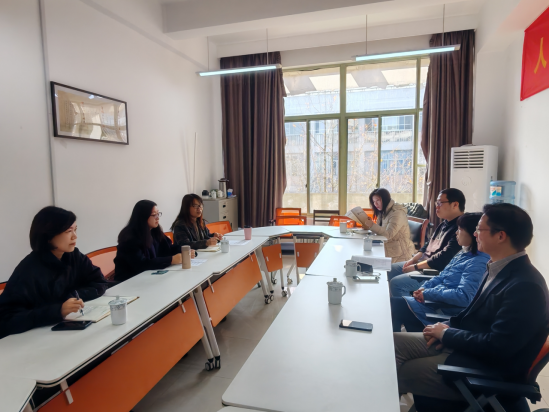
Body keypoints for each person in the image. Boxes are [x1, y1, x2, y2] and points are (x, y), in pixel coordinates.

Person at [394, 204, 549, 403]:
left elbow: (498, 346)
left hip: (482, 369)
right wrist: (447, 328)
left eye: (479, 229)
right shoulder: (496, 266)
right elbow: (473, 315)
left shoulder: (525, 286)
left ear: (500, 236)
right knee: (392, 345)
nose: (475, 234)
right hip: (466, 346)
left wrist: (447, 335)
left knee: (398, 371)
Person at [0, 207, 109, 339]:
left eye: (75, 230)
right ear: (48, 236)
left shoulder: (74, 256)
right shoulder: (28, 270)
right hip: (33, 340)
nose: (75, 236)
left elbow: (99, 282)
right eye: (68, 231)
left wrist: (73, 297)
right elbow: (7, 320)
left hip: (66, 331)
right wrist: (58, 310)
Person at [390, 213, 490, 332]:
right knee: (392, 307)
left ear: (472, 234)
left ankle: (399, 340)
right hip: (434, 303)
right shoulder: (463, 253)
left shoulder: (478, 262)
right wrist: (423, 289)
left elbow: (464, 297)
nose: (456, 233)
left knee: (393, 307)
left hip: (442, 312)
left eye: (460, 229)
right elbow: (442, 276)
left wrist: (428, 294)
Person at [388, 188, 465, 297]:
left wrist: (416, 267)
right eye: (436, 203)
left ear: (455, 204)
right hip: (424, 263)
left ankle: (407, 306)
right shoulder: (444, 223)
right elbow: (428, 243)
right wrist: (414, 259)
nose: (437, 206)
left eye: (440, 203)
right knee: (390, 270)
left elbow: (444, 257)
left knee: (397, 284)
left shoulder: (461, 228)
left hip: (435, 271)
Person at [114, 200, 193, 282]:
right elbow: (141, 264)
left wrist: (185, 251)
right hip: (129, 281)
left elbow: (169, 248)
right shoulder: (129, 237)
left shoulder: (154, 231)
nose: (157, 217)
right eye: (154, 215)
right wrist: (171, 260)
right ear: (143, 217)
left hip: (149, 278)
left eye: (158, 214)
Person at [361, 188, 415, 263]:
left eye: (378, 200)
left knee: (366, 261)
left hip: (401, 255)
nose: (375, 204)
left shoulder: (397, 213)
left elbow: (388, 234)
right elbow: (380, 231)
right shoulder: (383, 211)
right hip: (389, 249)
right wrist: (369, 227)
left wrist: (372, 225)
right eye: (374, 201)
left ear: (385, 199)